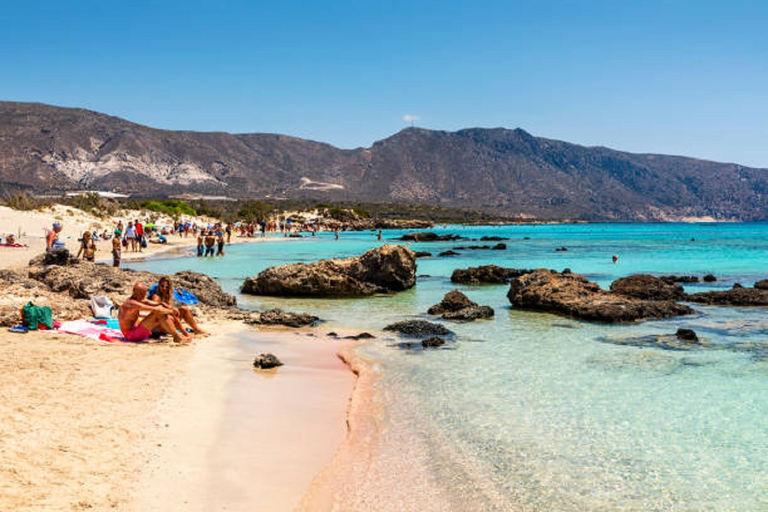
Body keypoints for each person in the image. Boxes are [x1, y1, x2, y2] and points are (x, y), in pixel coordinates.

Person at [118, 283, 190, 343]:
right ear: (136, 292)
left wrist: (167, 306)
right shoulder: (131, 303)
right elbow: (155, 310)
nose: (143, 296)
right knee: (158, 314)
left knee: (165, 315)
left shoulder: (136, 298)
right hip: (131, 335)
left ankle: (178, 335)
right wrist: (171, 311)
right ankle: (177, 337)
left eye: (144, 294)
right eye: (142, 294)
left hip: (135, 330)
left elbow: (155, 304)